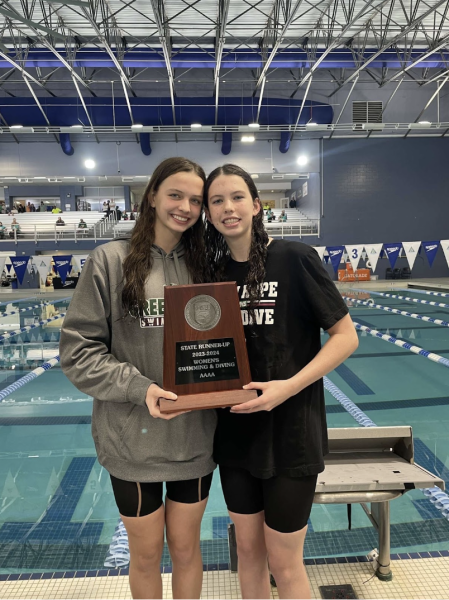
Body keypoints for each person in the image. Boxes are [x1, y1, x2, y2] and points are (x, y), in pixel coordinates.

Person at [59, 157, 217, 600]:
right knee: (145, 555)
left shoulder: (206, 266)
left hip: (194, 438)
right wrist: (139, 387)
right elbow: (78, 351)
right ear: (151, 195)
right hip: (131, 439)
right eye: (175, 194)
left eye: (195, 200)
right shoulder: (109, 260)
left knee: (186, 550)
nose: (185, 206)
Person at [203, 164, 359, 600]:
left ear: (256, 205)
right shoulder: (213, 276)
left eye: (237, 197)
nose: (228, 208)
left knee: (285, 562)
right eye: (217, 201)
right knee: (248, 553)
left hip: (292, 434)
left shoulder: (295, 258)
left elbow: (346, 338)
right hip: (235, 436)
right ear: (210, 214)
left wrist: (287, 387)